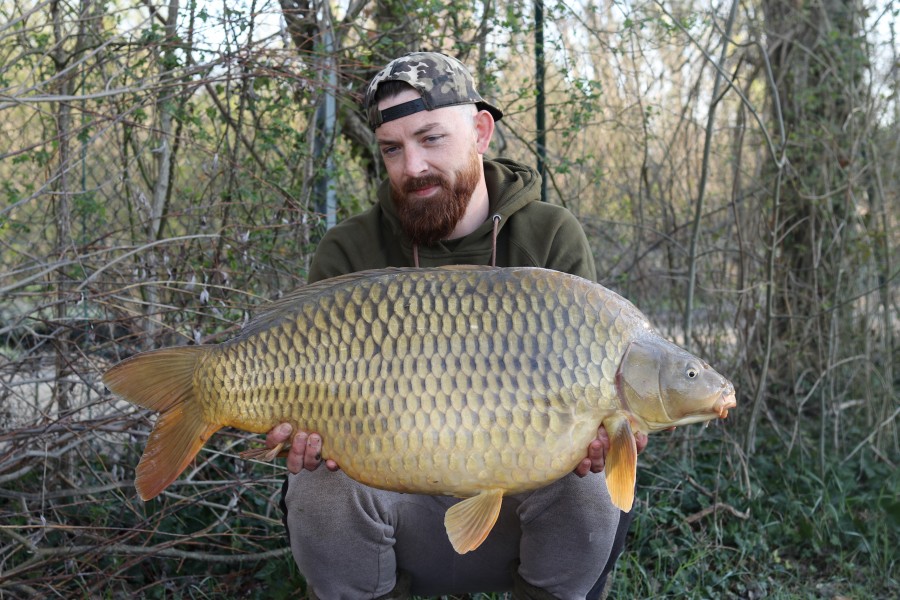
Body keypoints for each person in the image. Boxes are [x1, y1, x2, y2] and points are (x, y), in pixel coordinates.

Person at [265, 51, 647, 600]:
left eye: (431, 138)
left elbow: (596, 398)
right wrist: (296, 435)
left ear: (481, 131)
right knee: (318, 484)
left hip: (517, 511)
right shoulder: (351, 249)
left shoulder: (549, 238)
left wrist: (604, 440)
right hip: (395, 511)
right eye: (392, 149)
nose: (412, 166)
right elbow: (307, 403)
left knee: (590, 489)